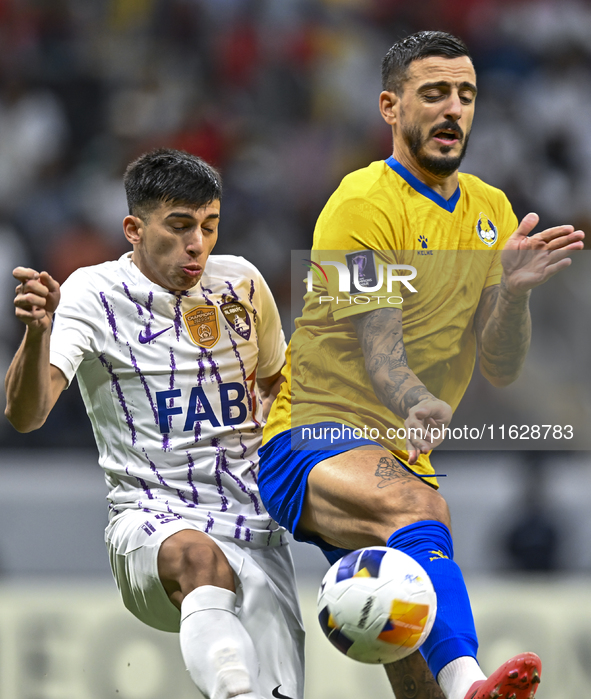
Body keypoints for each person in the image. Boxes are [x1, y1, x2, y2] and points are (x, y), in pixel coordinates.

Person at [257, 31, 584, 699]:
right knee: (418, 504)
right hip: (308, 438)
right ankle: (472, 684)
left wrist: (514, 295)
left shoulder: (491, 211)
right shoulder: (357, 205)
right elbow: (376, 345)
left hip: (395, 452)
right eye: (432, 93)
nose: (452, 109)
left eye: (465, 95)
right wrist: (414, 398)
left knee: (406, 650)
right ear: (389, 105)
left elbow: (500, 364)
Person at [4, 148, 304, 699]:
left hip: (256, 535)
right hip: (150, 524)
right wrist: (38, 332)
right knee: (199, 557)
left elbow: (278, 389)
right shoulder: (90, 294)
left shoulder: (242, 284)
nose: (198, 244)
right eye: (181, 226)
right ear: (133, 229)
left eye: (210, 226)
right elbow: (26, 414)